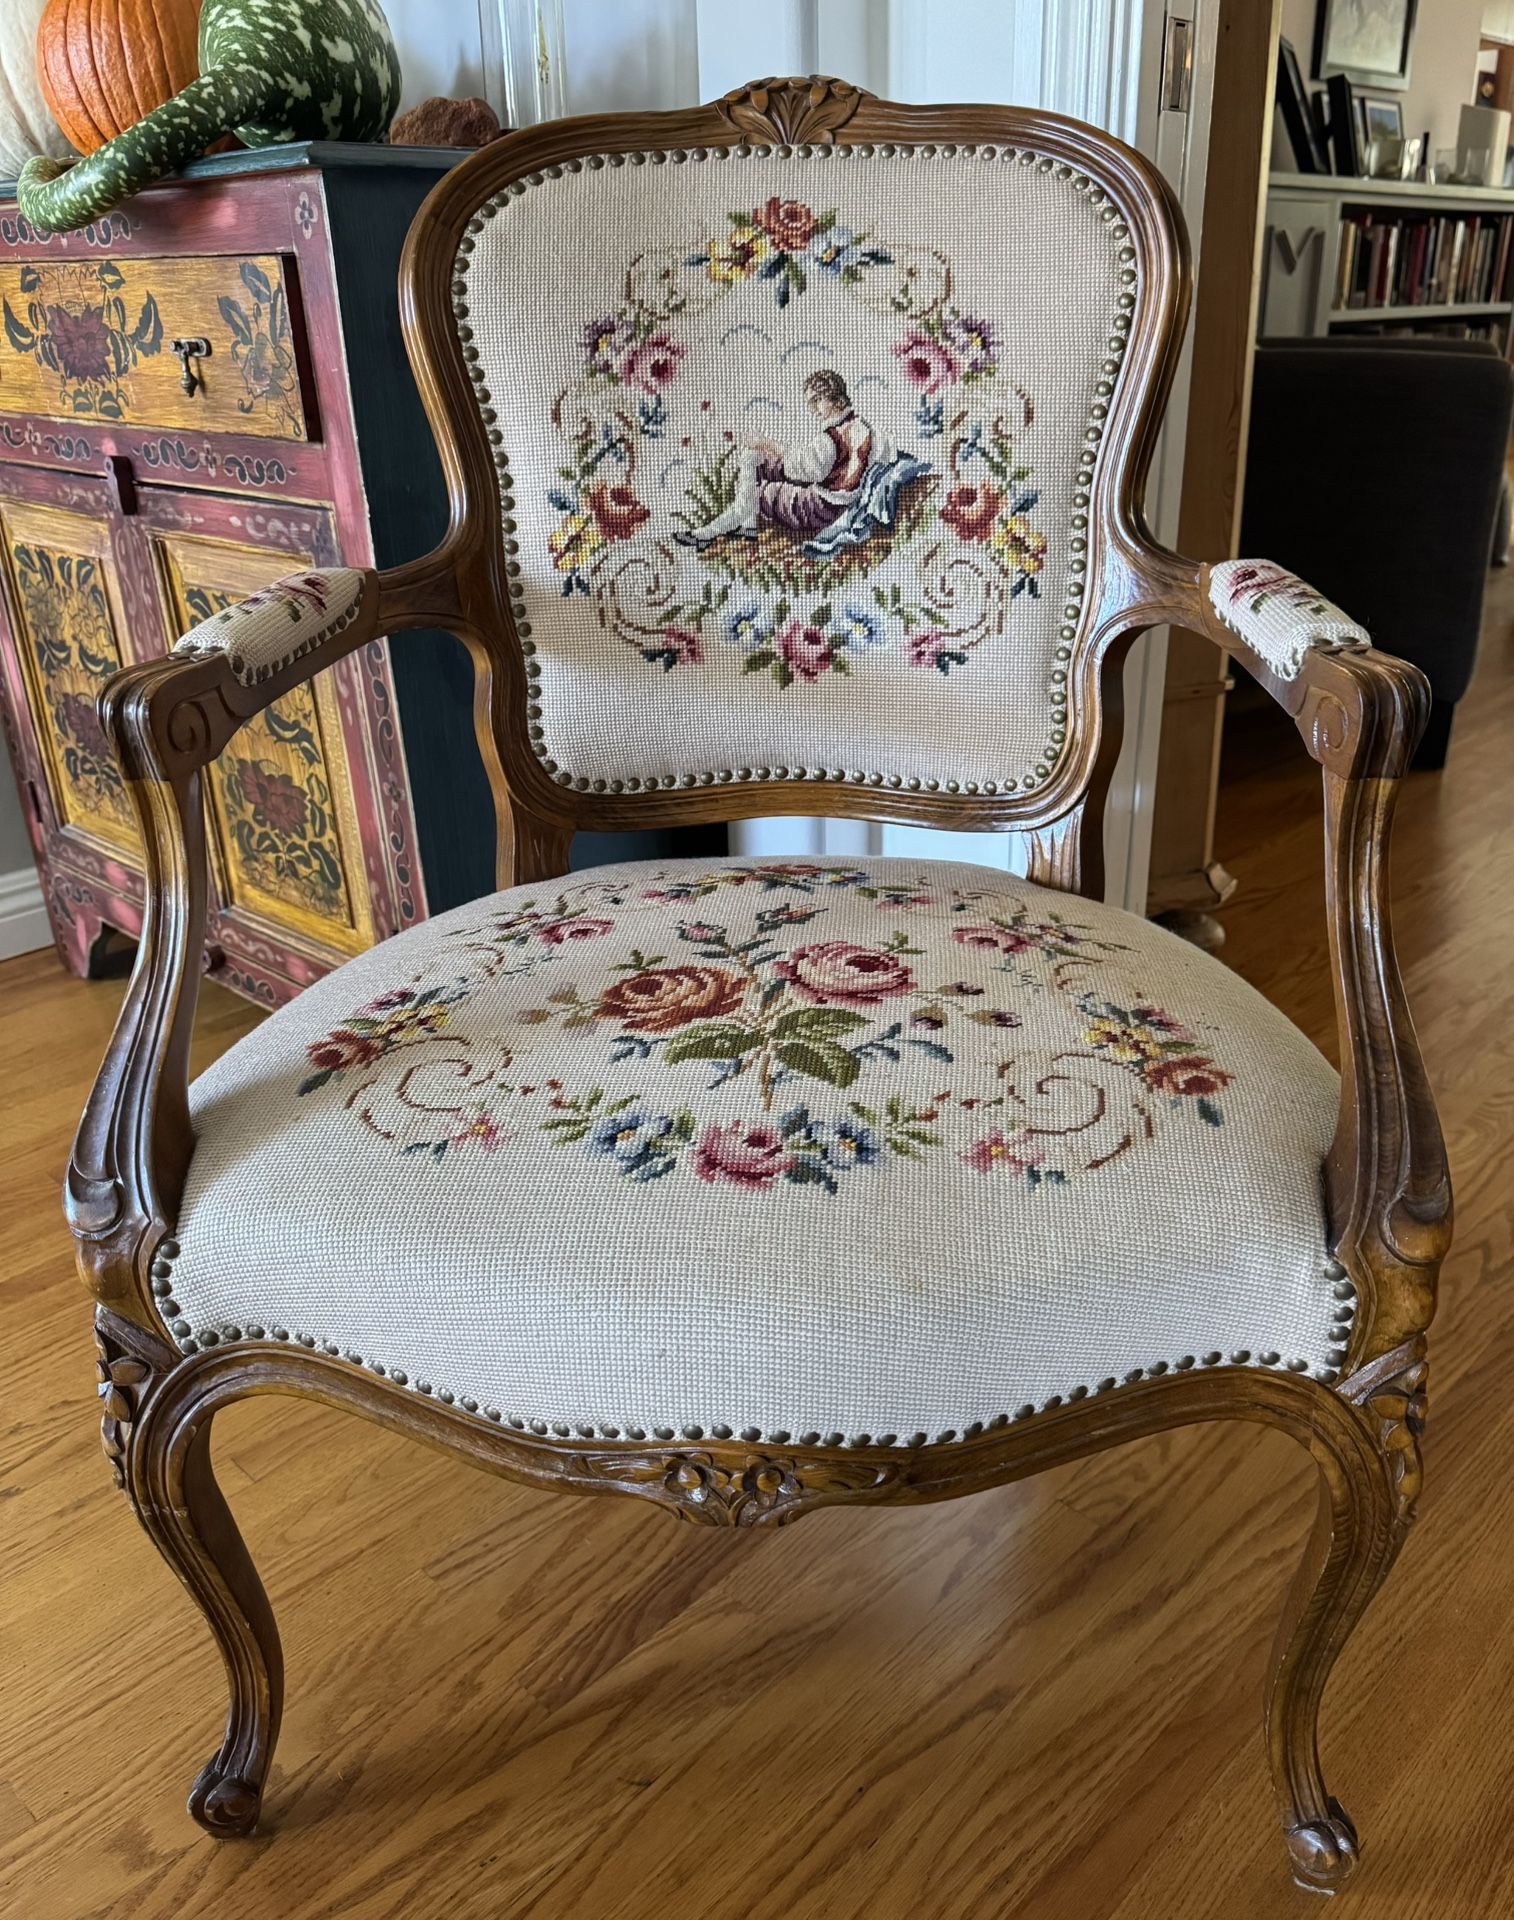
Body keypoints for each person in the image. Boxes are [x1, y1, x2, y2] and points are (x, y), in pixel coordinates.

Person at [676, 368, 926, 556]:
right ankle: (742, 526)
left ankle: (719, 530)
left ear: (835, 397)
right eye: (811, 403)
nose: (814, 409)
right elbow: (887, 454)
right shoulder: (865, 427)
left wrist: (767, 444)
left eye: (817, 400)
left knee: (762, 490)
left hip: (818, 508)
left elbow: (805, 469)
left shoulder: (830, 438)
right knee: (761, 465)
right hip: (835, 499)